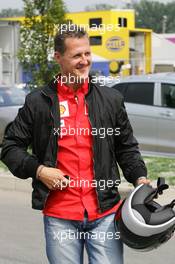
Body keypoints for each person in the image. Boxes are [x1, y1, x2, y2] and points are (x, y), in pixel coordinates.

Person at [1, 24, 150, 264]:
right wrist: (39, 171)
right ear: (58, 57)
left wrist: (140, 178)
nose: (84, 61)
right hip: (59, 214)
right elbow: (10, 148)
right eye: (76, 55)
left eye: (87, 54)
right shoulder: (37, 102)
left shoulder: (111, 100)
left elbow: (126, 147)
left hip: (105, 213)